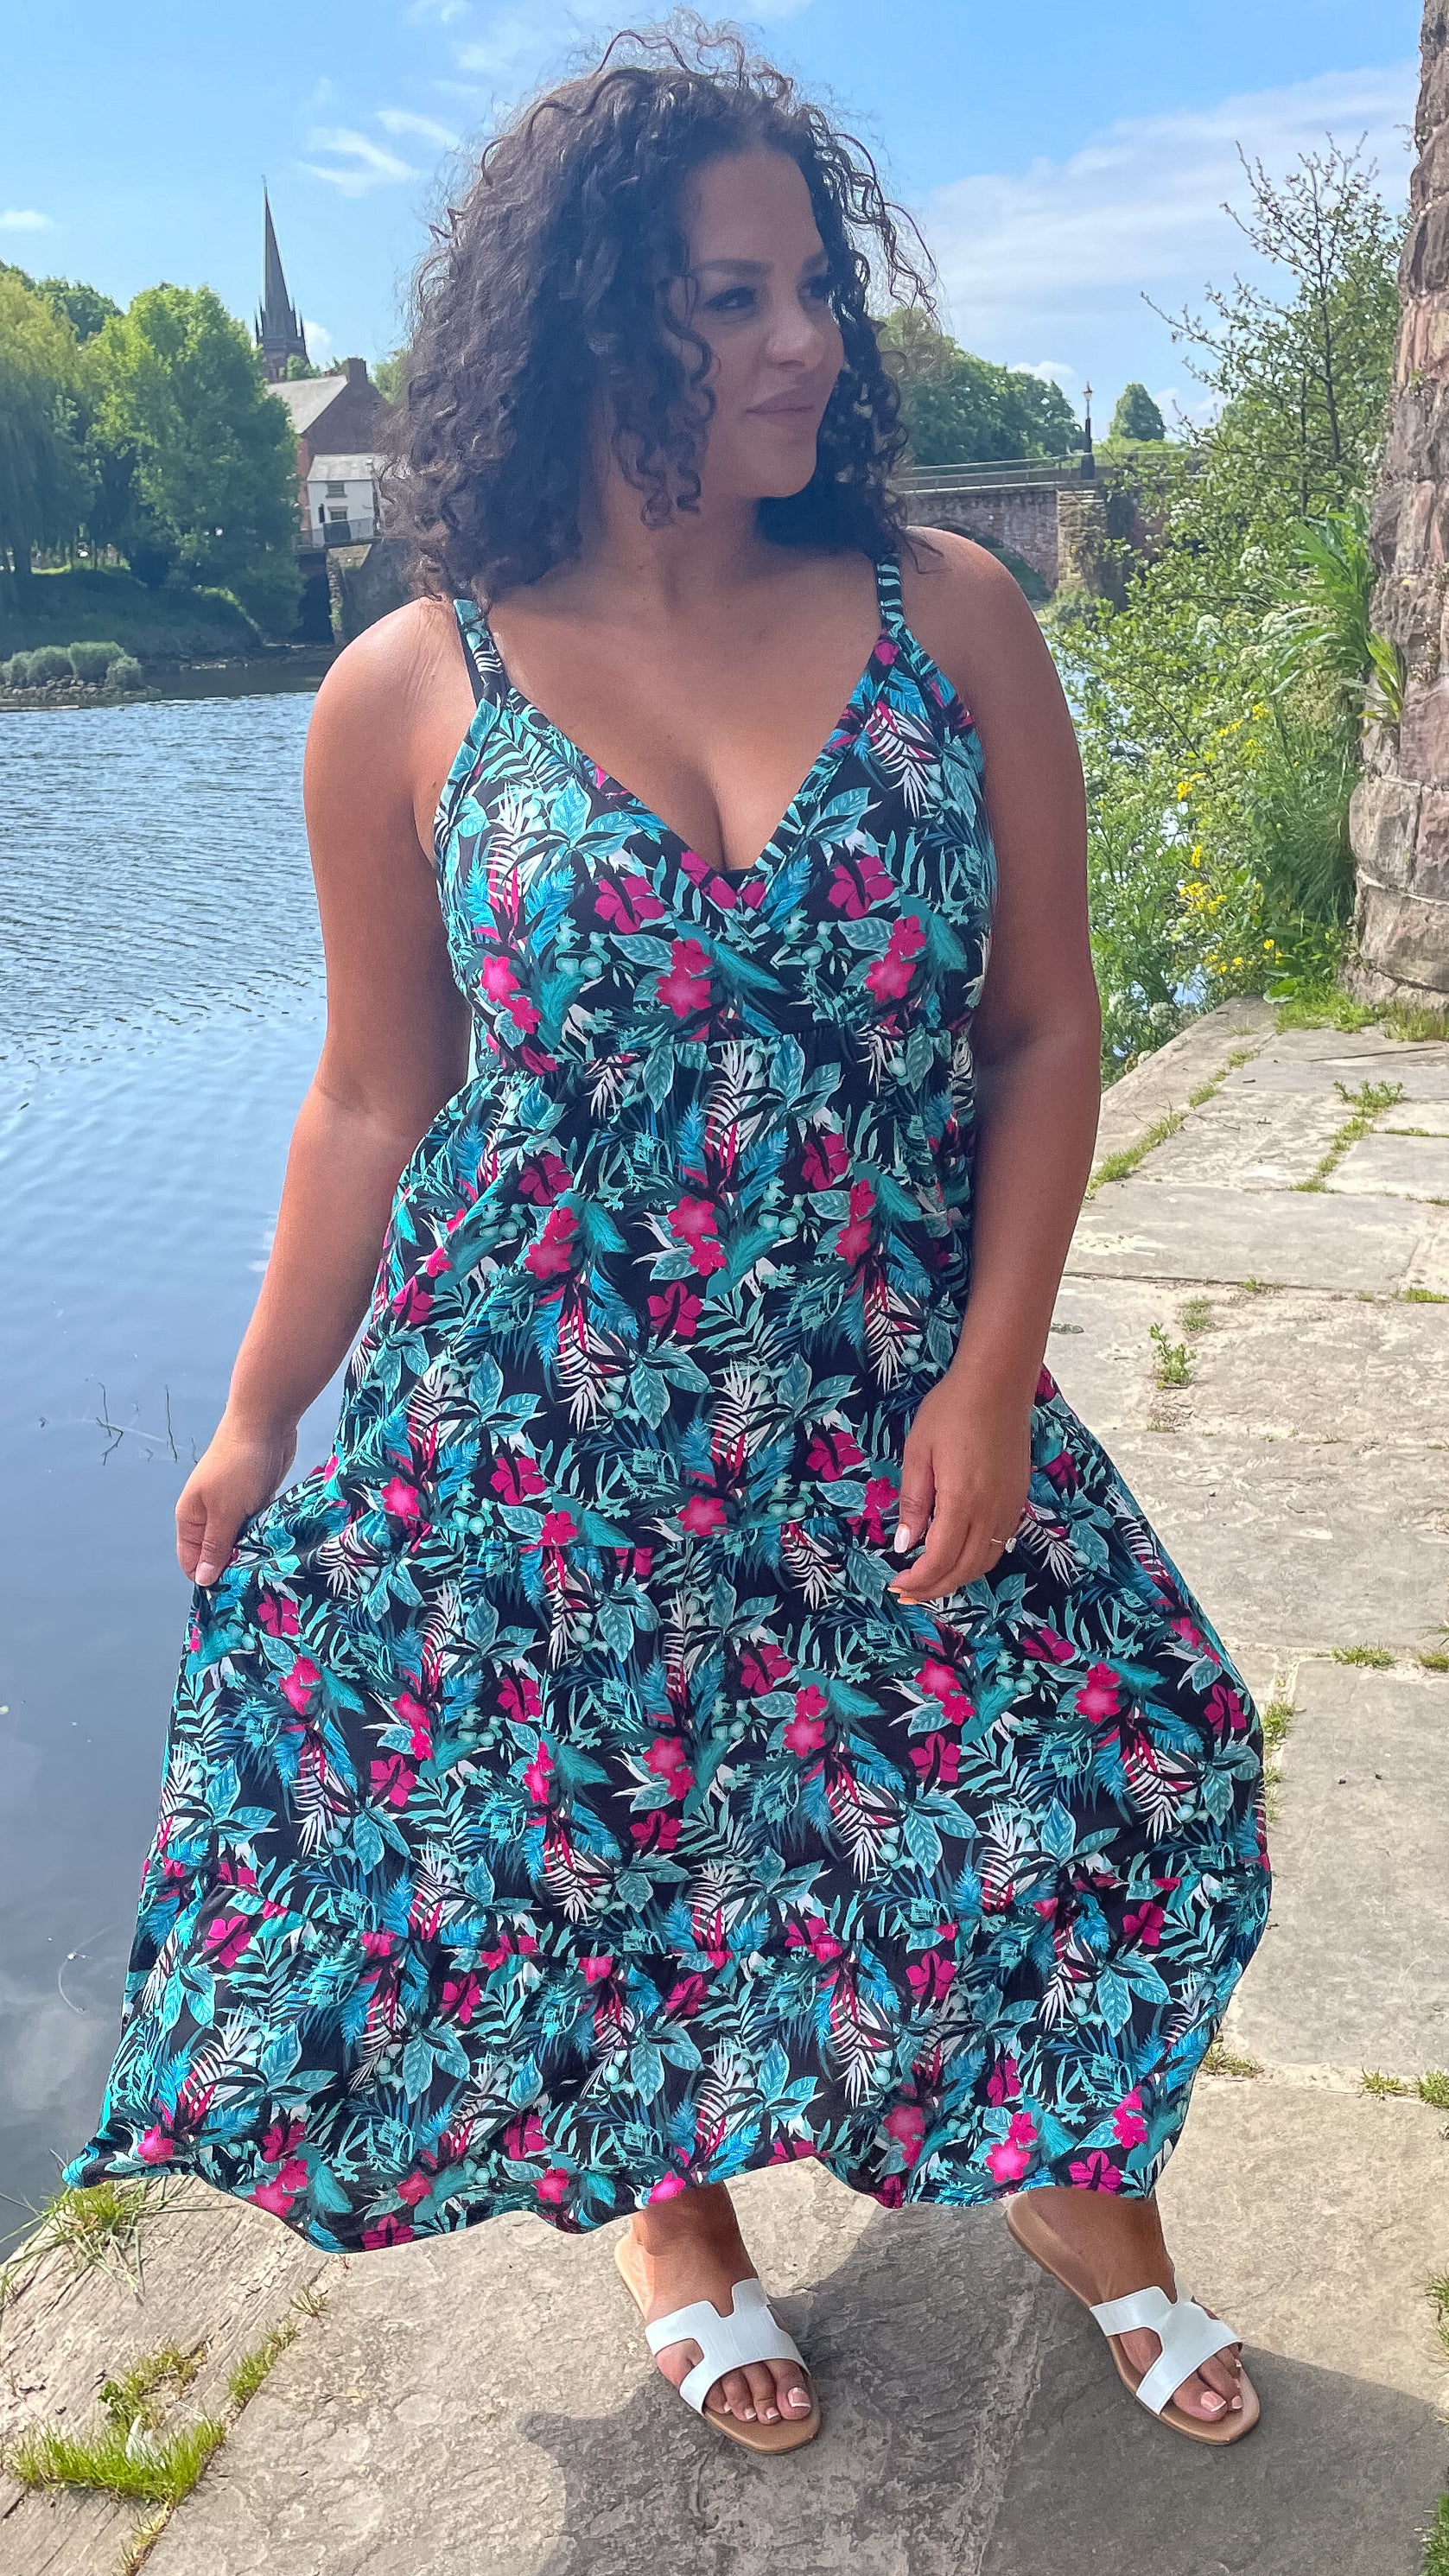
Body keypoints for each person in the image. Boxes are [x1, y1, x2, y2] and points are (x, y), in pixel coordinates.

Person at [68, 19, 1269, 2456]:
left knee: (1099, 1774)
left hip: (878, 1367)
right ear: (588, 324)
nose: (806, 338)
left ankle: (1076, 2191)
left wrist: (990, 1370)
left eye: (816, 286)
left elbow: (1045, 1031)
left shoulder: (951, 618)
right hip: (544, 1407)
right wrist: (261, 1409)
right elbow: (375, 1092)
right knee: (602, 1846)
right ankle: (676, 2224)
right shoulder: (408, 690)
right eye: (734, 298)